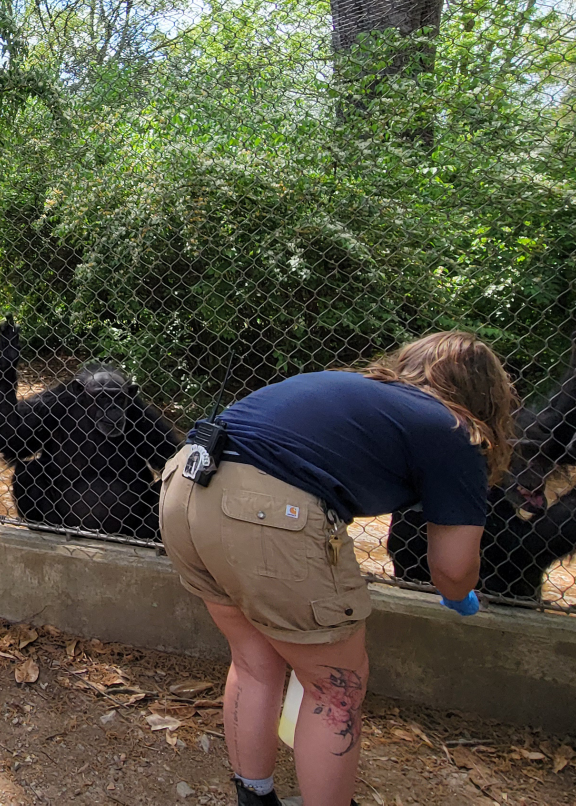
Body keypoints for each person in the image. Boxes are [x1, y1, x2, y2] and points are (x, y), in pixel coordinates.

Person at [159, 332, 517, 806]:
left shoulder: (352, 389)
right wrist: (459, 593)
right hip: (262, 509)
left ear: (409, 364)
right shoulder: (454, 429)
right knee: (336, 686)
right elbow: (453, 568)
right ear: (486, 394)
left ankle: (255, 797)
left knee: (253, 663)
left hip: (184, 484)